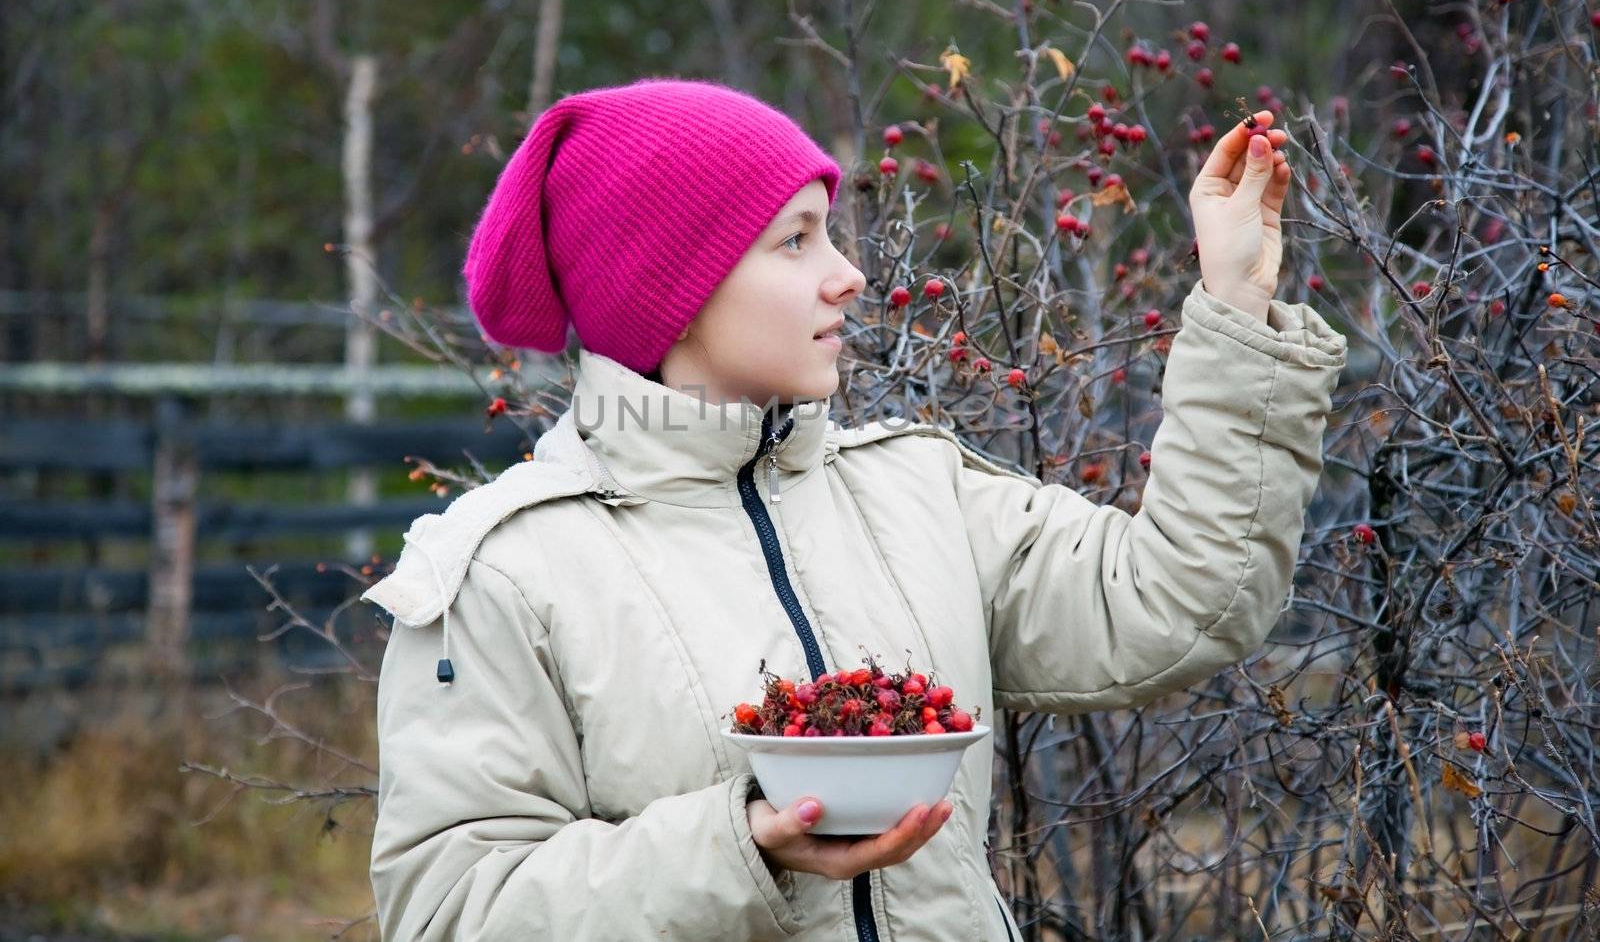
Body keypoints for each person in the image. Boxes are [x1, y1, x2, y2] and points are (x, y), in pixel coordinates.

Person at [361, 77, 1346, 940]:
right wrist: (742, 843)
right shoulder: (506, 571)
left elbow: (1182, 601)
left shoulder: (916, 493)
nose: (848, 273)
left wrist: (1234, 307)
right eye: (795, 241)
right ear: (671, 290)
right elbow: (452, 910)